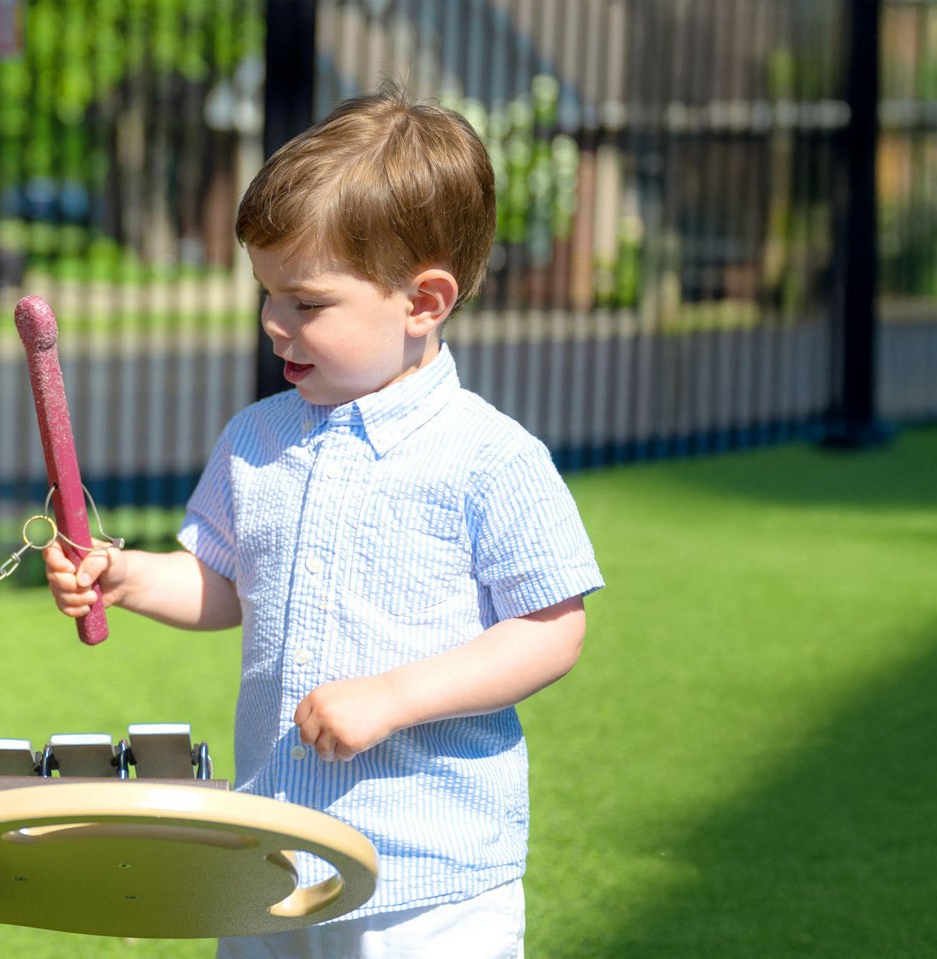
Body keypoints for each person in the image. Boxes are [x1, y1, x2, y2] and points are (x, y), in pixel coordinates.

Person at [43, 87, 604, 958]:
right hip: (270, 860)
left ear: (424, 302)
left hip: (427, 875)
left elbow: (551, 628)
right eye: (268, 294)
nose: (275, 324)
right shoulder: (255, 437)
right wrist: (127, 574)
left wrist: (392, 697)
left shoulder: (490, 456)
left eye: (307, 303)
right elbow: (225, 584)